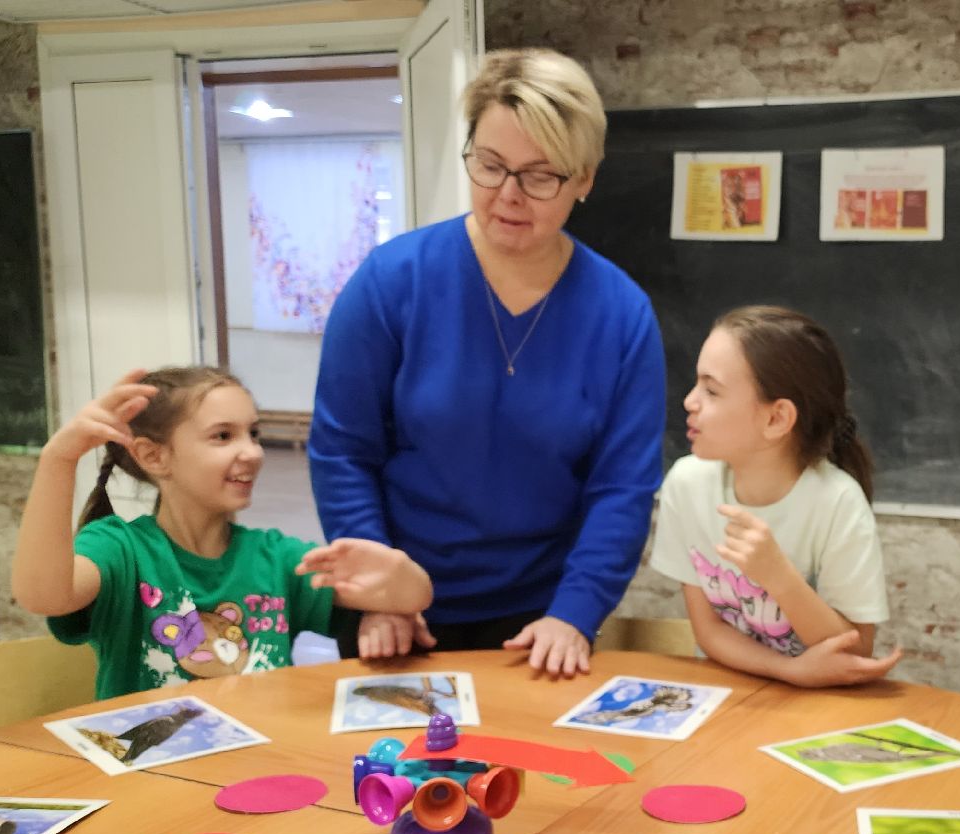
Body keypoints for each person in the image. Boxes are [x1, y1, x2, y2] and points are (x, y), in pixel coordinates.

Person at [311, 47, 665, 675]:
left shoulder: (622, 314)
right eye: (490, 165)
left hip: (540, 624)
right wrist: (381, 592)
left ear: (584, 178)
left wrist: (574, 613)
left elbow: (622, 489)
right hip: (398, 614)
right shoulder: (391, 282)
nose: (509, 195)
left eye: (540, 175)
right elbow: (344, 451)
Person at [14, 368, 432, 699]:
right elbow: (43, 595)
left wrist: (394, 570)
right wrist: (59, 460)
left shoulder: (274, 556)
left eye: (254, 433)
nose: (252, 452)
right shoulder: (121, 549)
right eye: (223, 436)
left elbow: (412, 597)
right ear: (153, 455)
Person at [649, 306, 900, 687]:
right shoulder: (686, 484)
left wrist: (777, 575)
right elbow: (709, 631)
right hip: (731, 693)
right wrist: (789, 670)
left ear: (776, 419)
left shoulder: (837, 503)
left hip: (819, 708)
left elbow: (852, 652)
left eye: (711, 390)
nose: (689, 401)